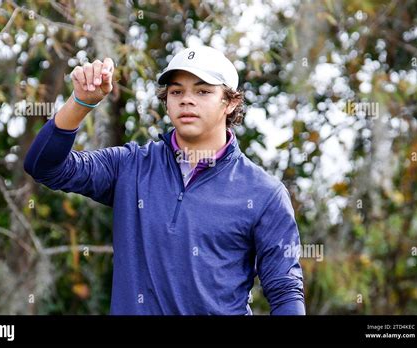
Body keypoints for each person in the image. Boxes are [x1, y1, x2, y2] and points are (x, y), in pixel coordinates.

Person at [24, 45, 305, 315]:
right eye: (176, 91)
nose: (186, 99)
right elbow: (44, 166)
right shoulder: (130, 165)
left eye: (203, 91)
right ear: (166, 100)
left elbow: (284, 290)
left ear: (230, 102)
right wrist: (81, 102)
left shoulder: (264, 193)